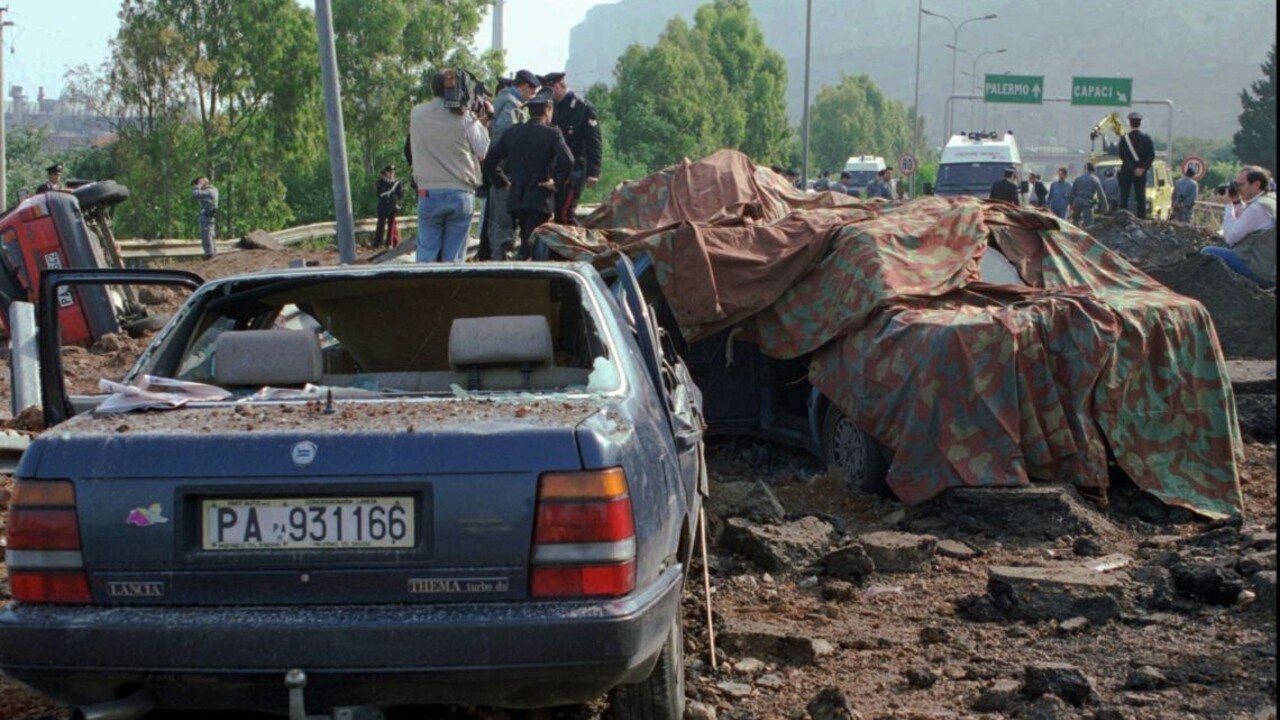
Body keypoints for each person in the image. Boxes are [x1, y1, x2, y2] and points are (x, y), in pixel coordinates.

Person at [482, 87, 574, 261]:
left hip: (516, 198)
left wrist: (503, 182)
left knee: (525, 239)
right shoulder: (552, 133)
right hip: (540, 198)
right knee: (534, 246)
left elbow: (490, 161)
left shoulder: (512, 132)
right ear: (548, 109)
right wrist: (557, 184)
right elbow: (568, 160)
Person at [407, 69, 489, 263]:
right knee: (454, 258)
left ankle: (424, 289)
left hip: (427, 191)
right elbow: (483, 149)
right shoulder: (465, 117)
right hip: (460, 192)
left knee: (426, 253)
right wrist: (480, 118)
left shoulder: (417, 113)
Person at [483, 69, 541, 260]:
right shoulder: (510, 105)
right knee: (504, 225)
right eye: (531, 93)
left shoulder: (503, 100)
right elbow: (505, 140)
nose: (531, 98)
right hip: (504, 176)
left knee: (499, 224)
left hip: (499, 174)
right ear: (524, 87)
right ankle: (500, 266)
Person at [1201, 166, 1275, 288]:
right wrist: (1236, 202)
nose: (1238, 189)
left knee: (1207, 251)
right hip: (1270, 269)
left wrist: (1229, 205)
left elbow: (1230, 238)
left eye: (1241, 185)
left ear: (1256, 184)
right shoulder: (1269, 200)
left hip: (1260, 272)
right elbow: (1247, 221)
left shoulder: (1257, 209)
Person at [543, 71, 602, 225]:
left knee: (565, 214)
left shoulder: (582, 107)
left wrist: (593, 172)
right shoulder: (551, 107)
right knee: (554, 214)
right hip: (555, 169)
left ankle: (577, 247)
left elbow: (594, 141)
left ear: (556, 87)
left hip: (574, 169)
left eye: (549, 91)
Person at [1117, 111, 1156, 219]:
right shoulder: (1147, 138)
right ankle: (1141, 219)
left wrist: (1133, 168)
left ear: (1129, 123)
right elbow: (1151, 155)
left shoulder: (1124, 139)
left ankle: (1123, 219)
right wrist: (1143, 168)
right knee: (1141, 198)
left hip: (1127, 172)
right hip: (1141, 172)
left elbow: (1123, 156)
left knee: (1124, 197)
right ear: (1140, 123)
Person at [374, 165, 404, 249]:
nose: (391, 173)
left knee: (391, 225)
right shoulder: (381, 182)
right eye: (390, 172)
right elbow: (378, 194)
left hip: (392, 207)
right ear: (386, 173)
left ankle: (389, 243)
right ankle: (377, 244)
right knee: (380, 225)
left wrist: (398, 203)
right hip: (383, 207)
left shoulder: (397, 183)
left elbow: (400, 194)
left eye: (393, 172)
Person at [190, 176, 219, 259]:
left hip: (207, 215)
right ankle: (212, 252)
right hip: (209, 214)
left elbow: (195, 195)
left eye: (197, 182)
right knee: (210, 233)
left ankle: (209, 253)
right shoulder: (213, 190)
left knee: (206, 234)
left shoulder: (209, 191)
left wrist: (198, 186)